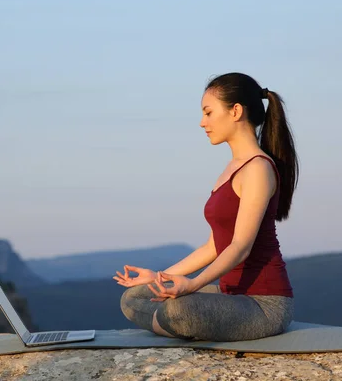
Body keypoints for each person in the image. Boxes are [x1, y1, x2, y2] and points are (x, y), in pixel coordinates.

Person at [114, 72, 299, 342]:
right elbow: (214, 246)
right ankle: (171, 322)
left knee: (178, 310)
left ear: (235, 111)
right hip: (229, 295)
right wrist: (161, 275)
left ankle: (172, 322)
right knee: (134, 298)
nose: (203, 123)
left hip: (263, 305)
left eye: (209, 113)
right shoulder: (232, 168)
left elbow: (240, 247)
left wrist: (193, 284)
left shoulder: (258, 168)